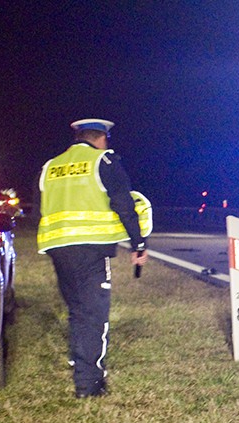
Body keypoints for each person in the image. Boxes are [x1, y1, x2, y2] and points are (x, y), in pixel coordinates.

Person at [37, 118, 149, 398]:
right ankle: (89, 384)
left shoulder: (51, 166)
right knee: (94, 315)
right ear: (102, 138)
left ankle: (80, 365)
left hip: (57, 247)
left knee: (78, 310)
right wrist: (138, 243)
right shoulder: (103, 161)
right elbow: (124, 203)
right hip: (90, 249)